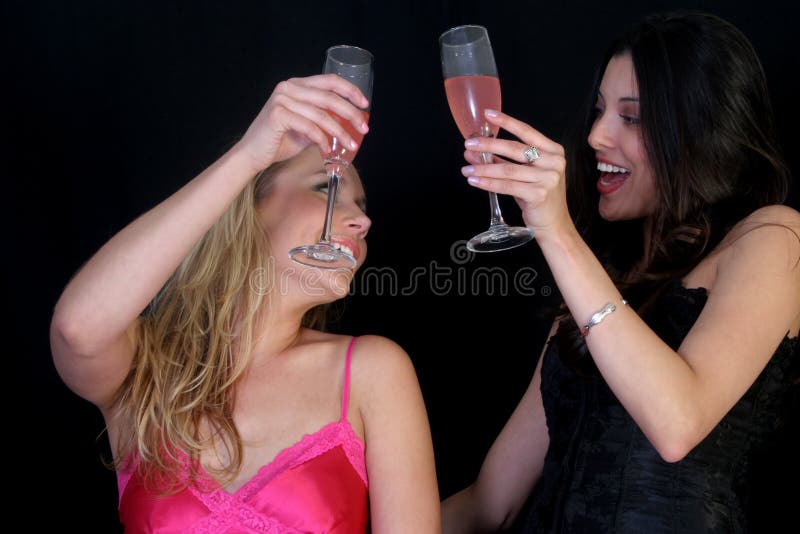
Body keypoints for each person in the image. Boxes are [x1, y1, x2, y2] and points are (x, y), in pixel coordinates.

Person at [442, 10, 798, 533]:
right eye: (600, 111)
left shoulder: (773, 238)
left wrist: (556, 232)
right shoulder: (600, 281)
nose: (594, 137)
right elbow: (491, 503)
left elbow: (677, 423)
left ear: (702, 130)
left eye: (631, 118)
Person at [50, 73, 440, 532]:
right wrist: (247, 157)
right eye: (327, 187)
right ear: (249, 205)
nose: (363, 220)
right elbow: (78, 328)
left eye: (362, 204)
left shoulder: (372, 370)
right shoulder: (143, 369)